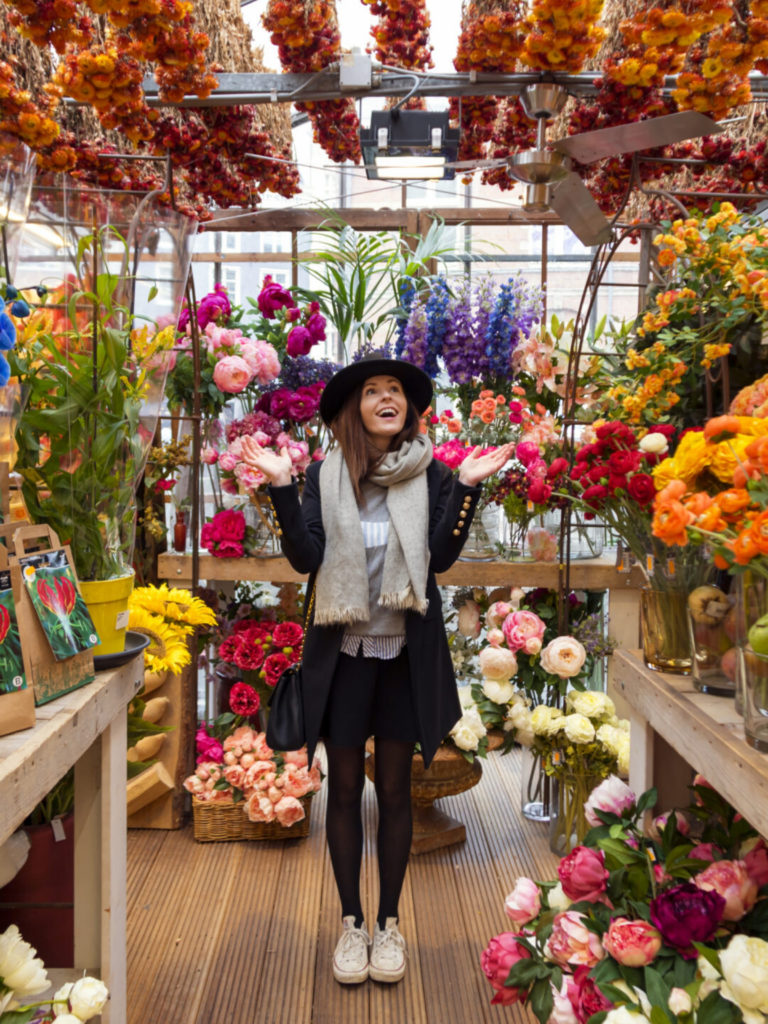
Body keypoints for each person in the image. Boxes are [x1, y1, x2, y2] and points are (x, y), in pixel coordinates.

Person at [241, 356, 513, 987]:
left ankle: (389, 923)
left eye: (396, 390)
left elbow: (440, 557)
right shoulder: (325, 476)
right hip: (343, 662)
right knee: (341, 790)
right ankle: (351, 921)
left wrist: (468, 487)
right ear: (353, 409)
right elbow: (306, 556)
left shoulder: (434, 475)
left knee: (393, 791)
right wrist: (282, 483)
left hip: (401, 661)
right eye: (373, 391)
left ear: (408, 410)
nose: (387, 397)